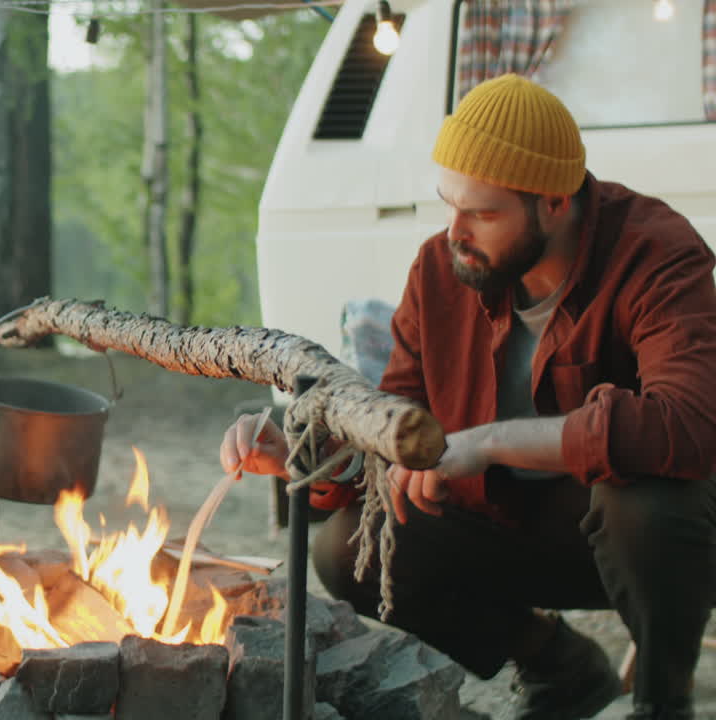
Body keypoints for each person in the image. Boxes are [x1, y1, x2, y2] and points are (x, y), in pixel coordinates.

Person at [221, 74, 716, 720]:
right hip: (501, 522)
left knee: (644, 499)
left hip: (639, 541)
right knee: (347, 549)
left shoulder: (654, 252)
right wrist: (304, 459)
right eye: (448, 205)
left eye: (482, 213)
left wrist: (489, 443)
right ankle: (558, 666)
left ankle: (661, 702)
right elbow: (393, 429)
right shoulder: (440, 270)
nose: (455, 232)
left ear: (554, 203)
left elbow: (687, 425)